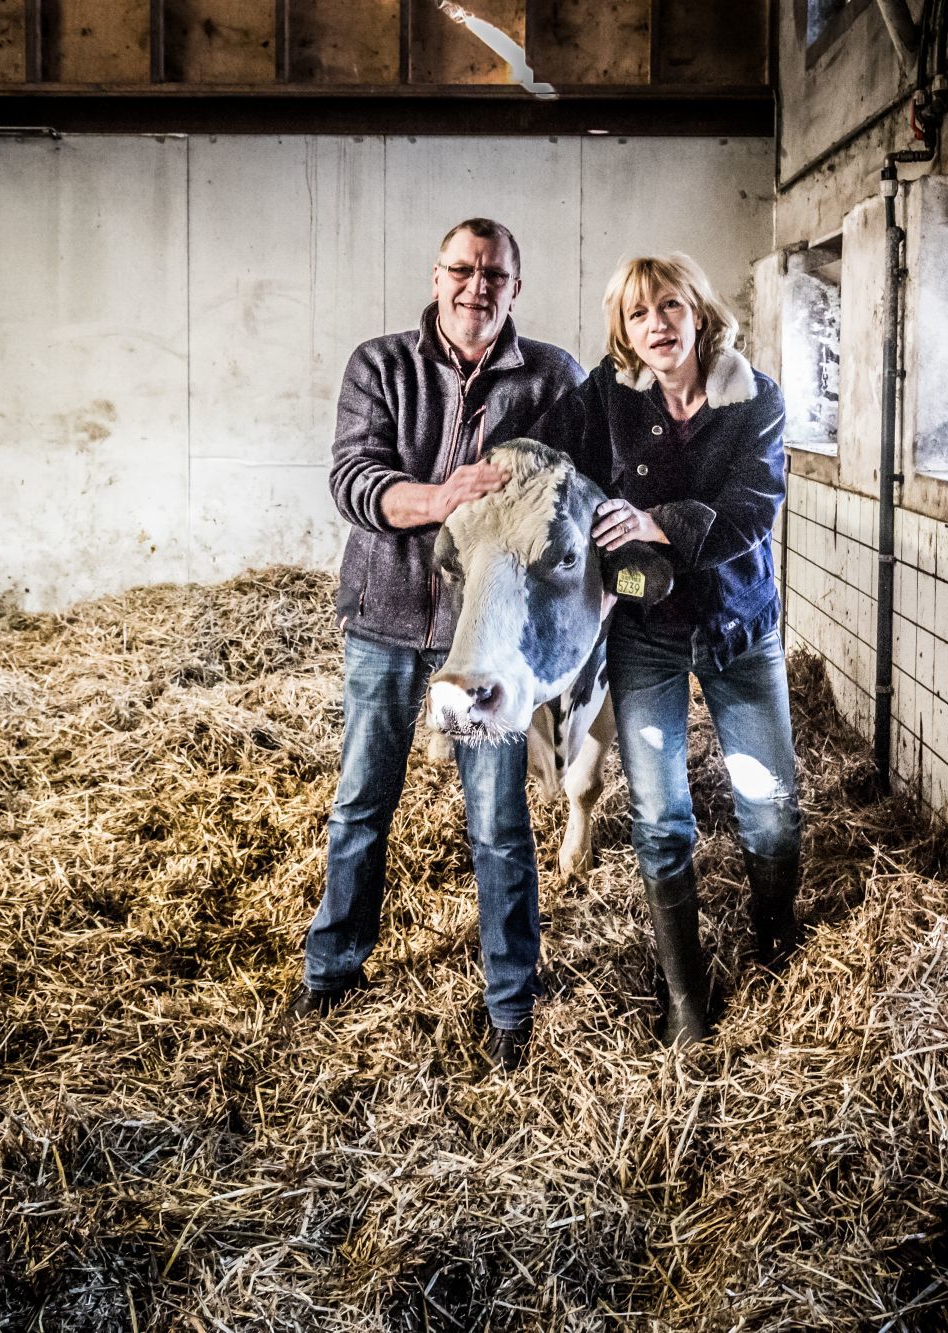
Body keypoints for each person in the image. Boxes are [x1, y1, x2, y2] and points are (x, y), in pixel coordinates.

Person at [298, 218, 584, 1073]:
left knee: (498, 820)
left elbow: (570, 488)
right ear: (435, 277)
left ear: (515, 287)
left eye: (494, 274)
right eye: (461, 270)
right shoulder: (380, 365)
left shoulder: (552, 378)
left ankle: (510, 1003)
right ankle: (333, 971)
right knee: (361, 802)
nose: (476, 287)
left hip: (487, 638)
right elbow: (354, 480)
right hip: (386, 617)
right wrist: (443, 497)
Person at [533, 253, 800, 1045]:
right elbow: (548, 458)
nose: (657, 324)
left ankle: (775, 938)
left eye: (671, 307)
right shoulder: (606, 399)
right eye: (639, 313)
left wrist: (659, 522)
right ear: (624, 329)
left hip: (737, 625)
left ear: (699, 312)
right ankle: (686, 998)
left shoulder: (755, 398)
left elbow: (754, 508)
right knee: (660, 817)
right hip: (645, 630)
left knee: (771, 812)